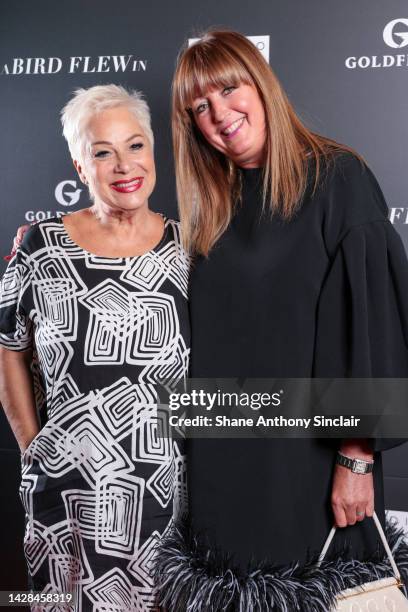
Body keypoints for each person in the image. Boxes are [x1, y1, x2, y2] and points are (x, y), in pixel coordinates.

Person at [153, 30, 408, 610]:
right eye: (199, 106)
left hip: (308, 461)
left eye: (228, 88)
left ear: (260, 83)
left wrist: (356, 457)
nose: (219, 114)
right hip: (222, 456)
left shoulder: (338, 179)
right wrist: (58, 241)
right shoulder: (212, 204)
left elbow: (374, 324)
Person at [0, 84, 190, 611]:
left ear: (153, 154)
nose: (123, 165)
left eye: (134, 146)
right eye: (101, 152)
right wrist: (32, 446)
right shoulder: (40, 247)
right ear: (80, 167)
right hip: (61, 495)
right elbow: (7, 347)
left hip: (163, 494)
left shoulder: (190, 251)